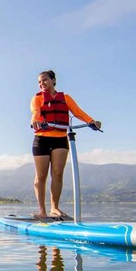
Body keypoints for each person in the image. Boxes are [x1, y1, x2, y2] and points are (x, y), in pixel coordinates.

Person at [30, 70, 101, 220]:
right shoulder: (37, 99)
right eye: (39, 82)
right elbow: (35, 112)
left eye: (44, 80)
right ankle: (42, 211)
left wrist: (91, 121)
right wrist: (35, 120)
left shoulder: (66, 98)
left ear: (53, 80)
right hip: (41, 139)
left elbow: (78, 112)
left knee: (57, 174)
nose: (41, 84)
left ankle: (54, 208)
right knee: (41, 176)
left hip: (60, 138)